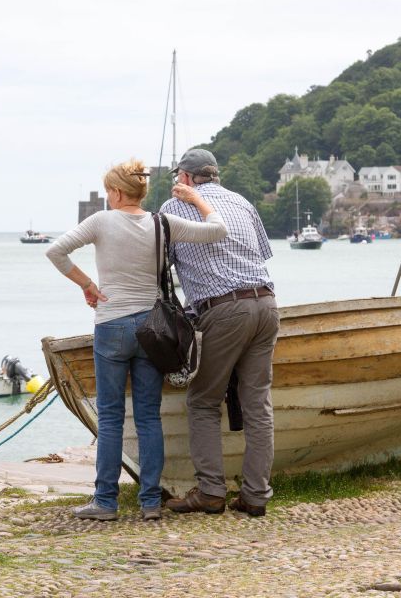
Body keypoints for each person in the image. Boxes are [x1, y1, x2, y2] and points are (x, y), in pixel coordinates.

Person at [46, 158, 228, 521]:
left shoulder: (101, 221)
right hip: (152, 329)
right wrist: (198, 200)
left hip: (111, 324)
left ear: (115, 192)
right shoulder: (162, 222)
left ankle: (105, 502)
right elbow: (217, 230)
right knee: (149, 417)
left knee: (111, 418)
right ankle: (149, 504)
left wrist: (88, 286)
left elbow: (56, 252)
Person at [160, 148, 279, 518]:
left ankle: (211, 491)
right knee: (257, 403)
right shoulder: (242, 202)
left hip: (224, 310)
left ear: (186, 177)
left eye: (177, 175)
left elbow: (161, 266)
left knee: (203, 401)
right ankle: (256, 494)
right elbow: (260, 252)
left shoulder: (173, 207)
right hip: (267, 304)